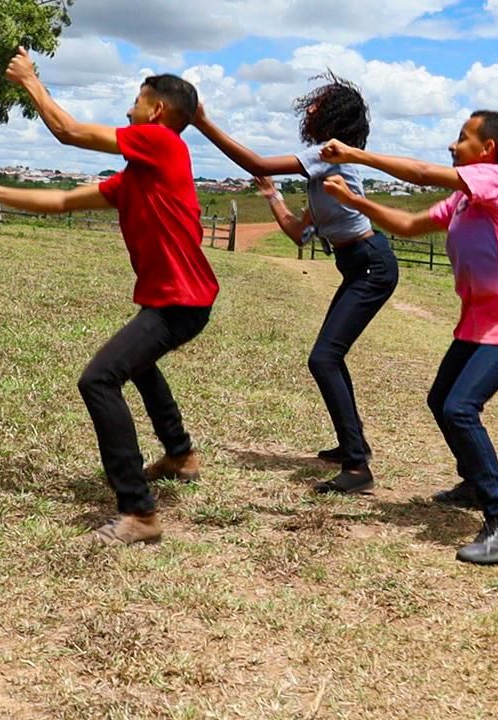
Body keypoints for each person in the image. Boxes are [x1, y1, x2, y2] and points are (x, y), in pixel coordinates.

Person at [0, 49, 217, 545]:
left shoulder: (161, 143)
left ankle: (139, 513)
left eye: (135, 103)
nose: (128, 112)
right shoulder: (139, 176)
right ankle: (181, 454)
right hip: (180, 299)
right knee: (137, 364)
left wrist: (31, 81)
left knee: (99, 380)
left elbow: (70, 132)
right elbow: (59, 200)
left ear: (157, 112)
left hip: (181, 302)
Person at [318, 111, 498, 564]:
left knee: (460, 409)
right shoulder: (463, 202)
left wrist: (355, 154)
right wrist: (356, 204)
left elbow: (419, 174)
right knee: (441, 401)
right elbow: (408, 225)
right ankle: (475, 482)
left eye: (463, 138)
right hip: (477, 326)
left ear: (487, 149)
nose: (453, 146)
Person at [192, 74, 399, 494]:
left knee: (324, 358)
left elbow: (256, 163)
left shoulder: (328, 156)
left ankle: (358, 467)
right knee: (329, 356)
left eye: (317, 104)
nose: (308, 109)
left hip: (371, 264)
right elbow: (298, 234)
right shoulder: (324, 172)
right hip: (360, 265)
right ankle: (351, 445)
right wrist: (272, 196)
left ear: (333, 116)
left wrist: (202, 122)